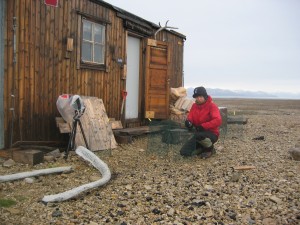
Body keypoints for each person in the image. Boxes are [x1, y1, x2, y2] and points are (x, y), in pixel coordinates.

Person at [180, 86, 222, 158]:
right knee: (184, 152)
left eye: (200, 96)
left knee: (199, 135)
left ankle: (209, 149)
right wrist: (188, 122)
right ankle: (204, 148)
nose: (198, 99)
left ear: (205, 96)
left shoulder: (212, 106)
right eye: (196, 97)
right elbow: (190, 117)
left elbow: (218, 120)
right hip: (198, 134)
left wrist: (203, 126)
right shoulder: (194, 106)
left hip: (211, 133)